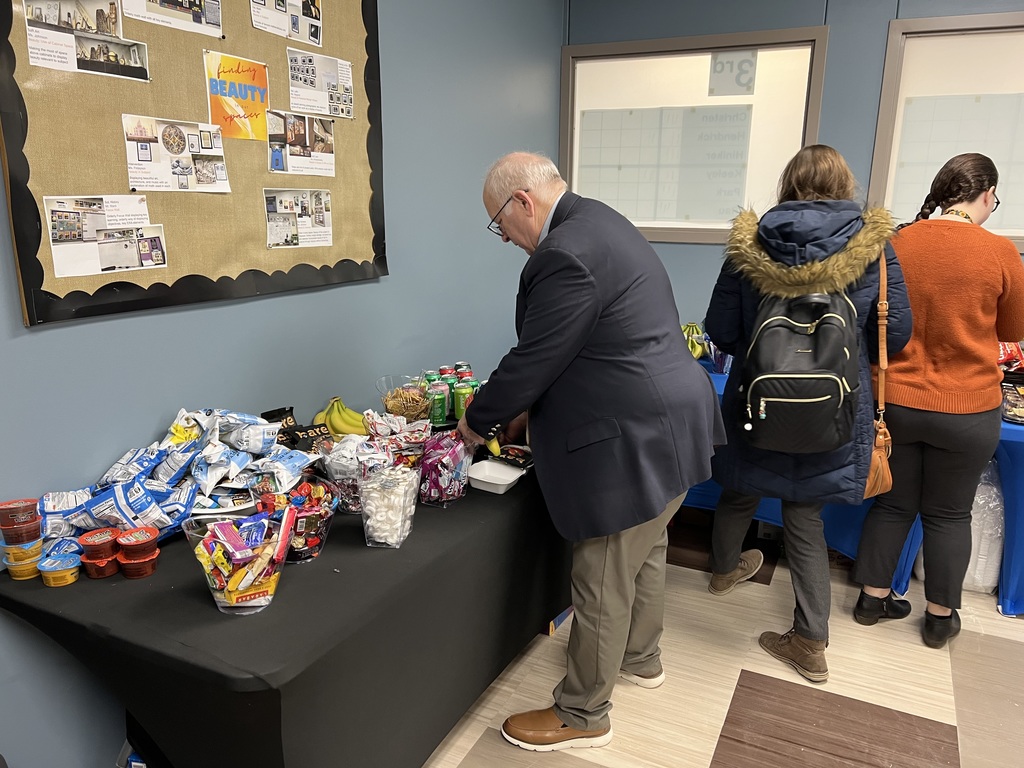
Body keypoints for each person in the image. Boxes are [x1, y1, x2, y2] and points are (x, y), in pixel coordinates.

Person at [457, 152, 725, 752]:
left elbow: (536, 356)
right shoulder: (602, 220)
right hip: (674, 424)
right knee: (645, 551)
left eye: (499, 224)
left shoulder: (563, 254)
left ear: (522, 202)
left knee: (601, 574)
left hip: (633, 437)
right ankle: (641, 657)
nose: (505, 238)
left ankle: (582, 714)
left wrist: (476, 423)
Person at [703, 144, 912, 683]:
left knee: (740, 487)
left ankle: (723, 571)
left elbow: (720, 330)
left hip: (758, 397)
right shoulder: (874, 247)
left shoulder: (749, 245)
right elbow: (895, 337)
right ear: (845, 185)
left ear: (787, 184)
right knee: (804, 516)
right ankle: (810, 641)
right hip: (834, 408)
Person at [852, 153, 1024, 648]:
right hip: (968, 408)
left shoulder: (896, 242)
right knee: (949, 514)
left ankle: (871, 601)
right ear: (986, 194)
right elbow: (1013, 330)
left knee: (892, 504)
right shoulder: (1000, 251)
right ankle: (939, 619)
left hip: (895, 402)